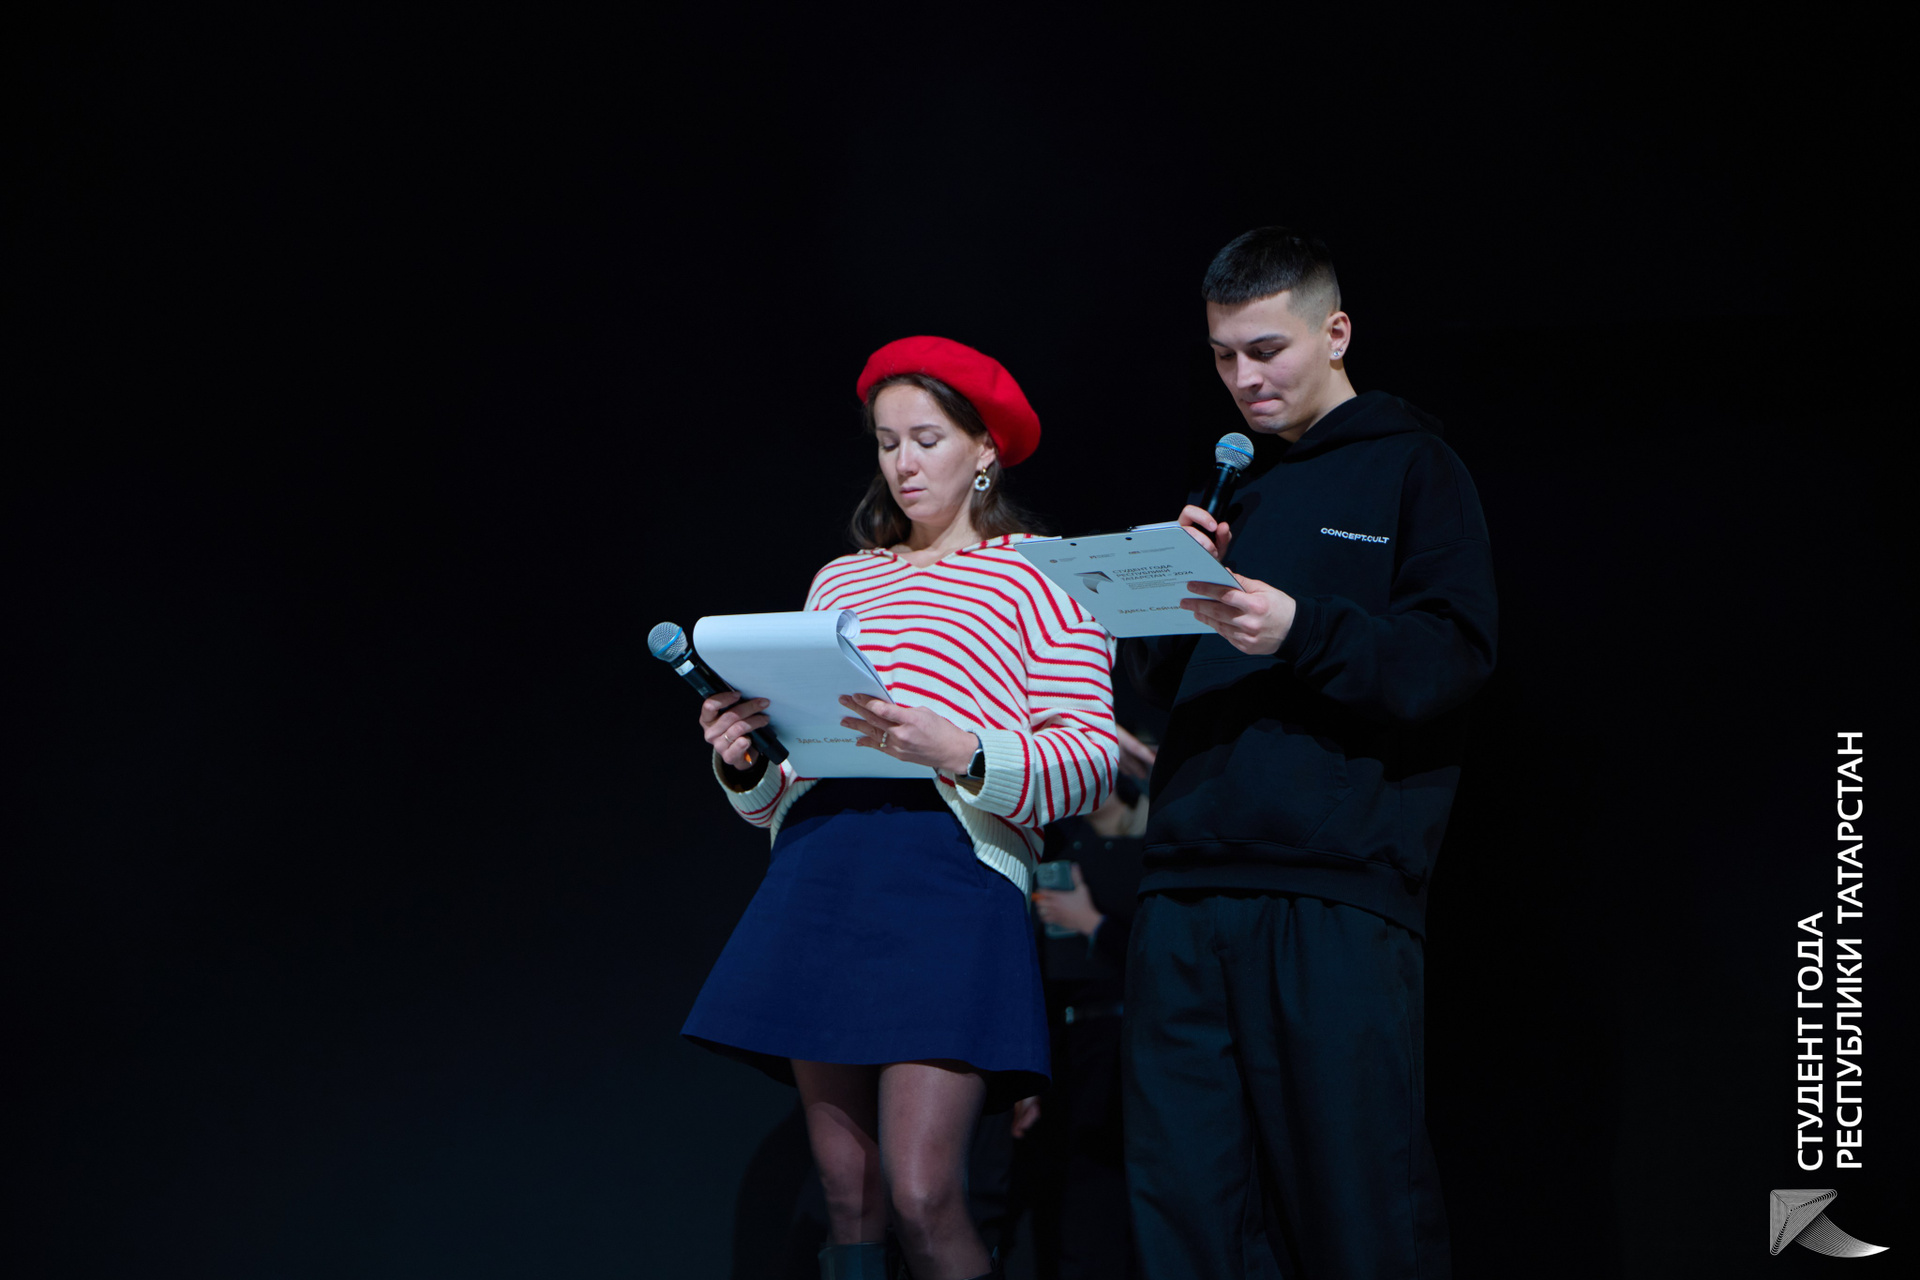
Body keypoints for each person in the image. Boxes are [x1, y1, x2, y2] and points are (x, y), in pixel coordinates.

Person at [682, 335, 1120, 1280]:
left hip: (948, 872)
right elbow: (788, 785)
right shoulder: (841, 580)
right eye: (887, 443)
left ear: (984, 448)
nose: (904, 464)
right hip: (823, 863)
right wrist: (746, 761)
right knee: (849, 1194)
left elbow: (1090, 759)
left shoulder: (1042, 574)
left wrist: (960, 750)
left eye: (926, 439)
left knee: (925, 1193)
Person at [1121, 228, 1498, 1279]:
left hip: (1330, 892)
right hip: (1184, 894)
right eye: (1223, 356)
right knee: (1187, 1219)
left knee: (1357, 1214)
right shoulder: (1234, 489)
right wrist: (1162, 596)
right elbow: (1168, 687)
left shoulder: (1414, 467)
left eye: (1266, 349)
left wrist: (1302, 628)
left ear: (1335, 333)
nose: (1244, 378)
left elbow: (1451, 657)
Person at [1010, 728, 1152, 1280]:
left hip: (1130, 1041)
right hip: (1067, 1044)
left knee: (1118, 1194)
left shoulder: (1154, 845)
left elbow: (1161, 956)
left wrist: (1091, 924)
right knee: (1068, 1201)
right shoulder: (1059, 842)